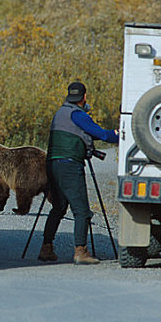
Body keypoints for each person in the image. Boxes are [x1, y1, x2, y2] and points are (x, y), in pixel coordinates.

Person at [38, 82, 119, 265]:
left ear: (69, 96)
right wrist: (120, 134)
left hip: (53, 165)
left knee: (58, 208)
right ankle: (80, 251)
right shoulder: (78, 115)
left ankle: (46, 248)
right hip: (69, 165)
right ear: (84, 97)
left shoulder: (60, 113)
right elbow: (103, 135)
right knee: (81, 211)